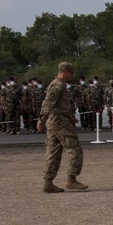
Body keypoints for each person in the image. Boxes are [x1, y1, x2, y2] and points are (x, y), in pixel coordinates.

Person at [38, 62, 87, 193]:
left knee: (53, 152)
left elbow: (60, 105)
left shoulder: (58, 84)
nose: (72, 75)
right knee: (75, 148)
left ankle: (48, 182)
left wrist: (71, 118)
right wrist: (41, 120)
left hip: (56, 121)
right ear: (64, 71)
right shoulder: (58, 85)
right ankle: (71, 179)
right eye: (71, 72)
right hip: (59, 122)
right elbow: (48, 103)